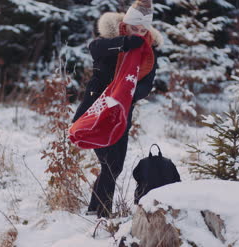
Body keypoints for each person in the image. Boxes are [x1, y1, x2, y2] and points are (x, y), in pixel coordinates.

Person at [71, 0, 163, 218]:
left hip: (121, 113)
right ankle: (102, 213)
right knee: (109, 164)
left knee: (114, 166)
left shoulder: (148, 52)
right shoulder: (110, 40)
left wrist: (127, 92)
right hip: (97, 109)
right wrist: (124, 43)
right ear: (125, 24)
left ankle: (95, 210)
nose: (139, 33)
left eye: (143, 30)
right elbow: (95, 49)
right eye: (134, 28)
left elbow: (147, 85)